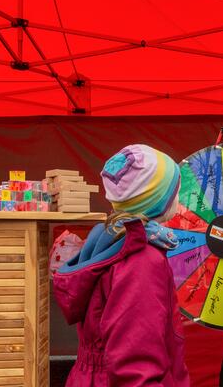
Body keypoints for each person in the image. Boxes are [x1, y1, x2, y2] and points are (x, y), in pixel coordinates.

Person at [53, 144, 190, 387]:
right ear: (157, 200)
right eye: (176, 190)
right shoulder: (143, 260)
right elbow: (136, 366)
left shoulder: (109, 238)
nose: (180, 197)